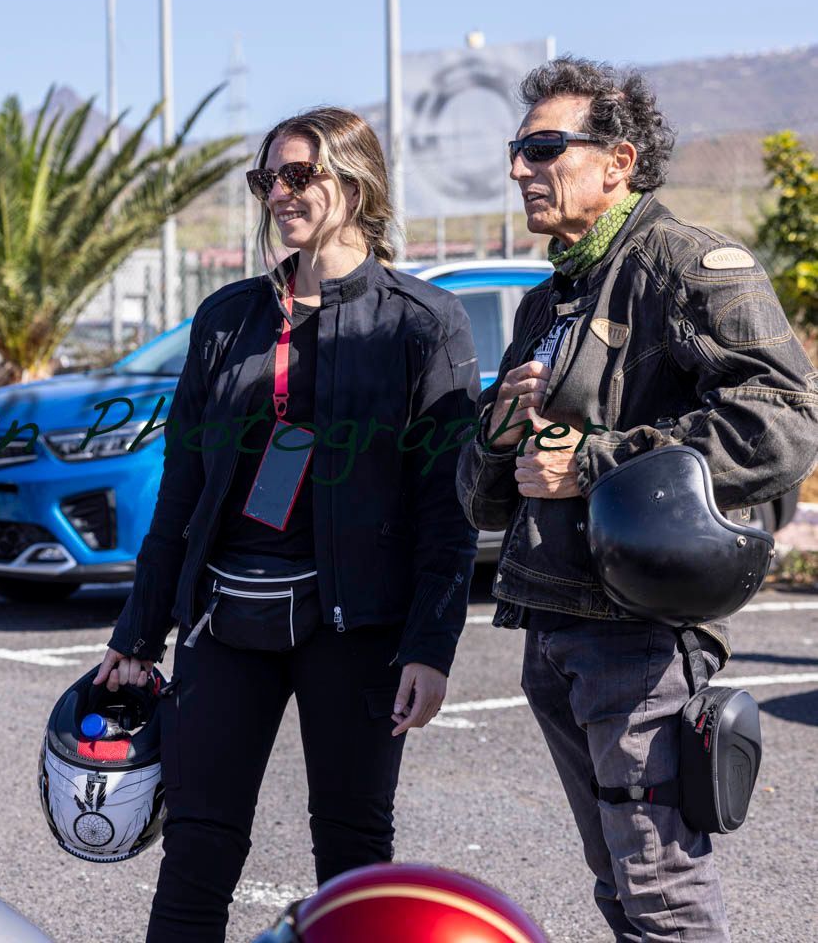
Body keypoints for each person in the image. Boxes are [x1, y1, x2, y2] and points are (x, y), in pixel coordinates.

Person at [456, 57, 818, 943]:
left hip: (643, 636)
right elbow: (488, 500)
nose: (519, 169)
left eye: (544, 148)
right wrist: (500, 433)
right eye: (517, 148)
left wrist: (601, 459)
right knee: (620, 886)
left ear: (617, 160)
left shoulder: (686, 264)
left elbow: (789, 417)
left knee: (663, 896)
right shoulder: (547, 299)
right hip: (553, 624)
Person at [97, 108, 480, 942]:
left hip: (359, 628)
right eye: (266, 177)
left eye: (299, 175)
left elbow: (445, 504)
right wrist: (137, 631)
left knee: (353, 856)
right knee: (197, 850)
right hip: (225, 617)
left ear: (356, 182)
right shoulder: (227, 319)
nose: (279, 192)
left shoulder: (422, 322)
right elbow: (182, 488)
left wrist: (430, 647)